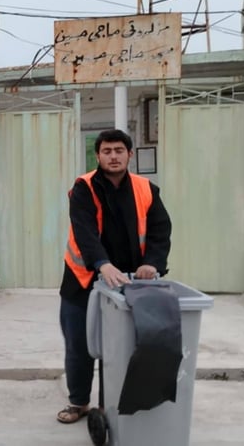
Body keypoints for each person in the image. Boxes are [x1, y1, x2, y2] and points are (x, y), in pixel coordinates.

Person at [56, 128, 172, 424]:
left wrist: (153, 263)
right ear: (98, 156)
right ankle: (79, 403)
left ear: (130, 155)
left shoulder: (146, 188)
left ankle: (116, 405)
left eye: (119, 150)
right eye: (107, 151)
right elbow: (84, 230)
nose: (113, 156)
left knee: (125, 347)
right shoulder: (84, 187)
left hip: (130, 284)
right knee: (79, 345)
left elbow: (160, 230)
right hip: (83, 281)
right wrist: (102, 264)